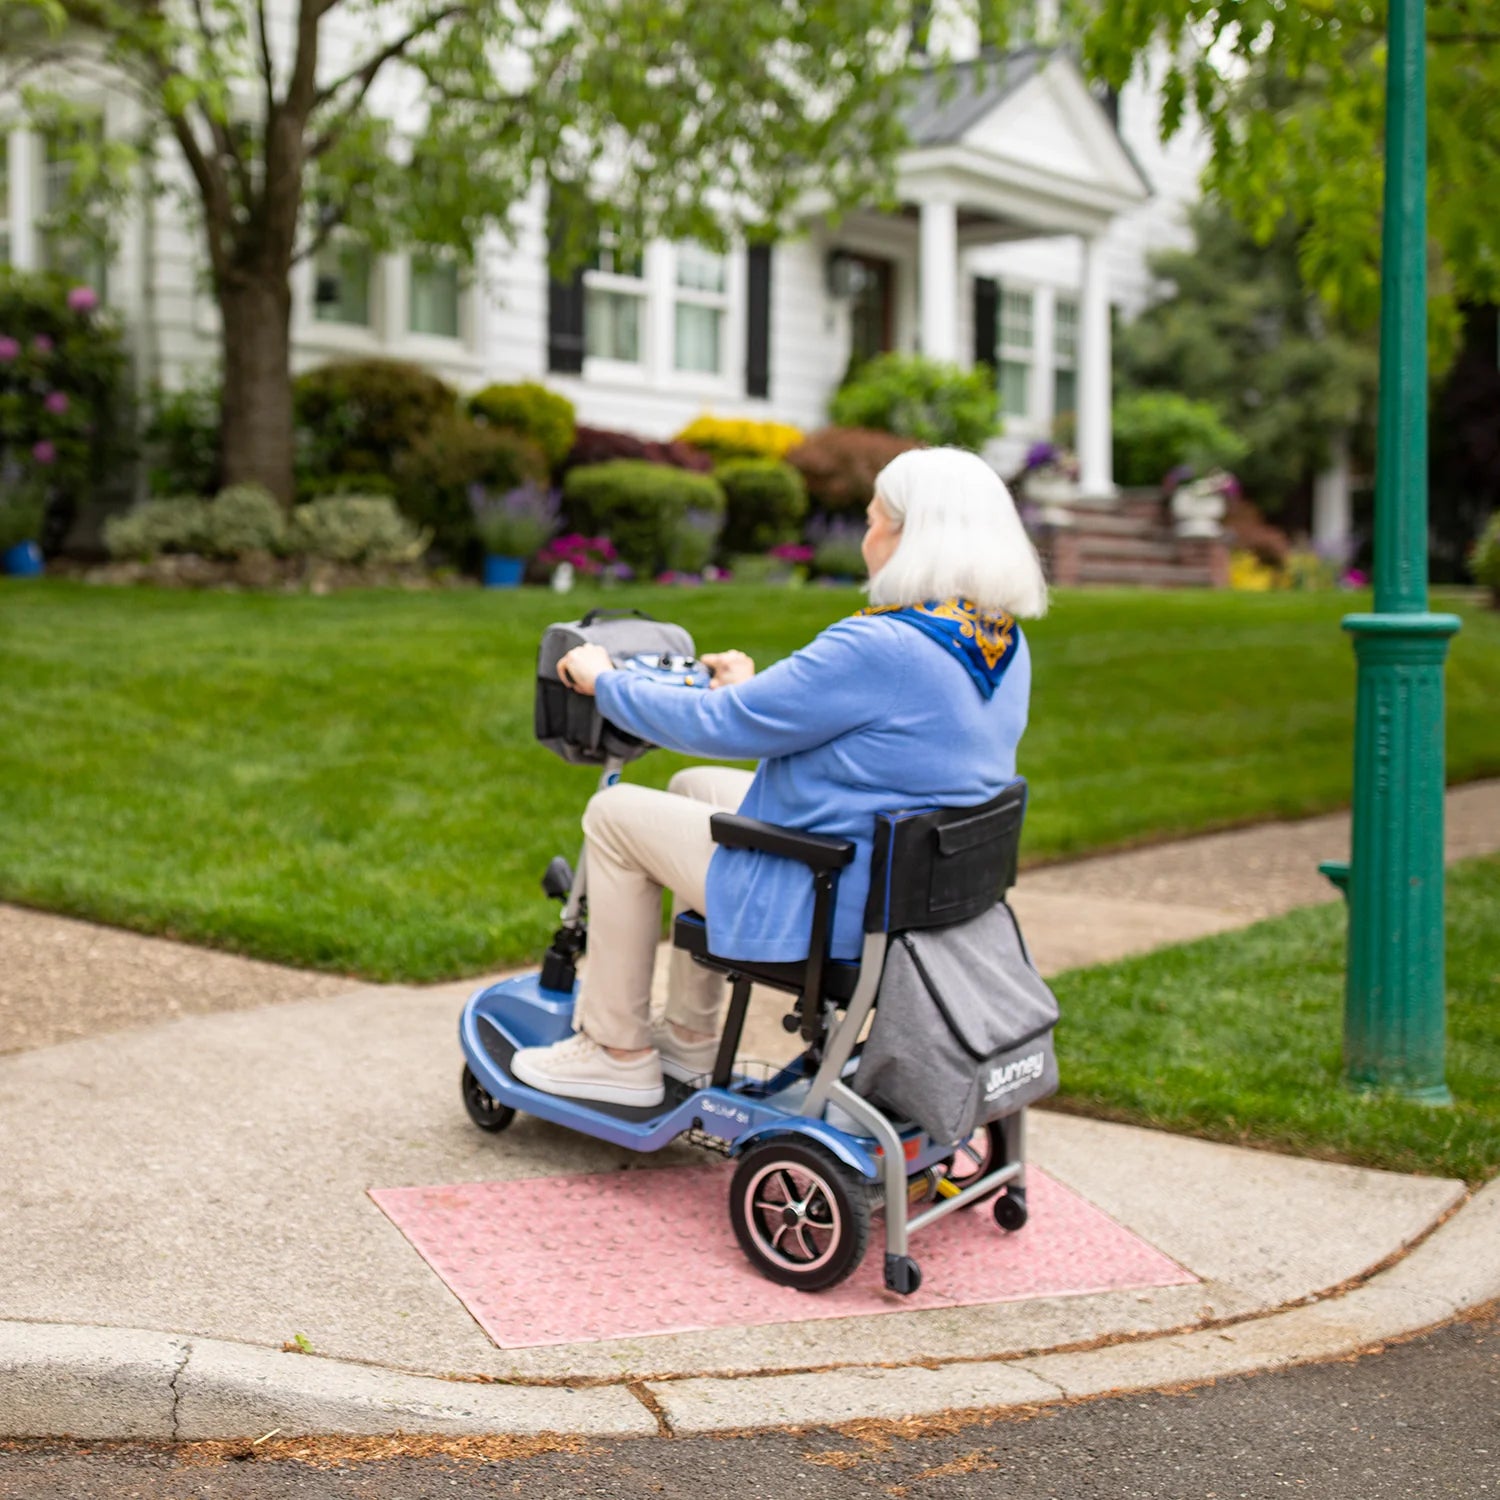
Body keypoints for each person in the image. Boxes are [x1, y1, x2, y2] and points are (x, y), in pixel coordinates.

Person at [510, 446, 1049, 1107]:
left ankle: (614, 1050)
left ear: (914, 536)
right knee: (696, 787)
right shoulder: (996, 641)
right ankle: (688, 1037)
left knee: (615, 817)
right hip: (904, 883)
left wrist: (606, 682)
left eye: (875, 520)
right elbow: (870, 733)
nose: (866, 536)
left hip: (833, 900)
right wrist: (757, 690)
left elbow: (720, 724)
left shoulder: (881, 645)